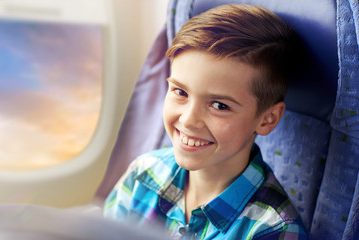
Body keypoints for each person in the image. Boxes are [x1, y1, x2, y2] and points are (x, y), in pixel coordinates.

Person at [104, 4, 307, 239]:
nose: (189, 120)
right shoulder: (144, 173)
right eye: (180, 92)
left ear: (267, 119)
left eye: (219, 105)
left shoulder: (273, 230)